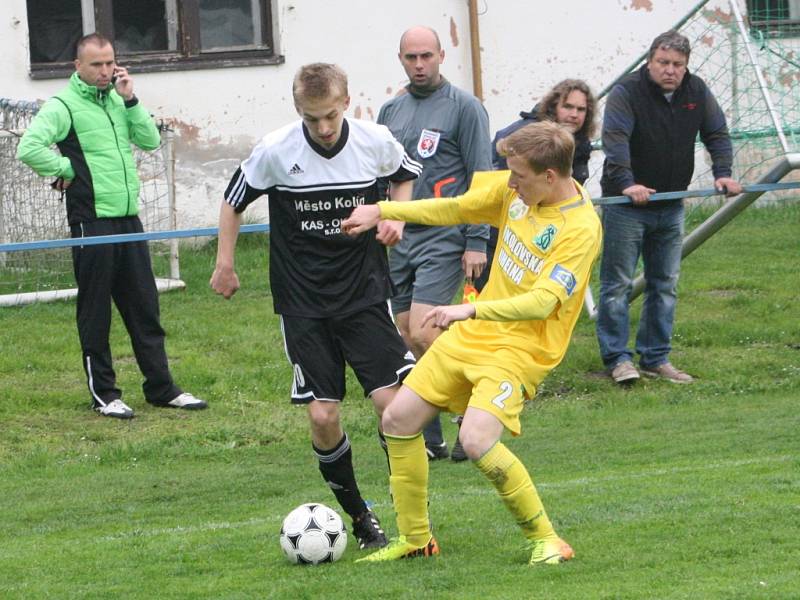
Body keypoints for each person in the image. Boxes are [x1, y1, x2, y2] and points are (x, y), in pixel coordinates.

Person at [342, 120, 602, 565]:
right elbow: (458, 208)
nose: (510, 181)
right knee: (398, 418)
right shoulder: (517, 192)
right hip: (474, 335)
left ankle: (547, 538)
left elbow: (542, 302)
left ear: (551, 177)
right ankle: (416, 540)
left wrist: (471, 308)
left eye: (518, 175)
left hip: (518, 351)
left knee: (477, 440)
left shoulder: (580, 229)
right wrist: (384, 211)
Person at [210, 63, 420, 550]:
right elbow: (233, 201)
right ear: (298, 111)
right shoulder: (276, 150)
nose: (323, 129)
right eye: (312, 119)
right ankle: (361, 516)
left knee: (394, 408)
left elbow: (404, 176)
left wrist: (396, 217)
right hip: (303, 302)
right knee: (324, 416)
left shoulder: (374, 141)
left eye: (329, 116)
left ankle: (411, 513)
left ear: (347, 103)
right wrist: (224, 263)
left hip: (364, 294)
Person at [16, 33, 207, 419]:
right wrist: (67, 170)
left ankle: (161, 387)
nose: (105, 71)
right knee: (96, 311)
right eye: (96, 65)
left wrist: (131, 99)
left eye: (109, 63)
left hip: (128, 218)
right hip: (91, 220)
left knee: (144, 306)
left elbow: (150, 140)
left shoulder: (120, 101)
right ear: (78, 67)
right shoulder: (63, 105)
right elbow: (29, 147)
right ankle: (104, 394)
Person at [597, 30, 742, 385]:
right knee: (616, 285)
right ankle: (618, 360)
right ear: (650, 61)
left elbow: (717, 133)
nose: (670, 70)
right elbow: (615, 141)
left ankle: (655, 358)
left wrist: (723, 174)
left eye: (678, 64)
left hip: (670, 203)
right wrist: (627, 183)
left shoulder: (697, 91)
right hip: (625, 205)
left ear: (686, 66)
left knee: (665, 284)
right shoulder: (626, 93)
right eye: (663, 62)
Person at [377, 26, 492, 461]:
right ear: (401, 59)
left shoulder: (465, 107)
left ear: (442, 55)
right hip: (401, 237)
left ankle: (471, 414)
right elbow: (384, 174)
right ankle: (430, 434)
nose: (420, 64)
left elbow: (482, 175)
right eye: (411, 57)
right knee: (407, 336)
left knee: (428, 329)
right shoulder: (391, 110)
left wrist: (477, 240)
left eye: (427, 56)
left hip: (446, 235)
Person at [476, 79, 597, 292]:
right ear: (553, 107)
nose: (574, 114)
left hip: (547, 236)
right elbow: (496, 187)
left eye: (581, 109)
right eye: (568, 106)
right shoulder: (525, 137)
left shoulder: (579, 144)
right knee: (486, 299)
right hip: (502, 233)